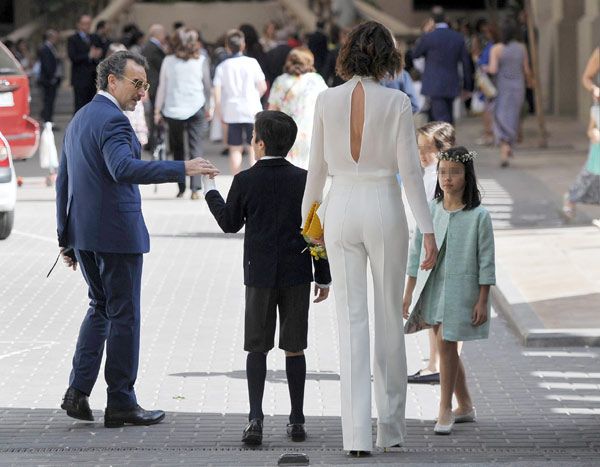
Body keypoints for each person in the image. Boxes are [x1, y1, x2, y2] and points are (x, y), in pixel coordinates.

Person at [56, 51, 219, 428]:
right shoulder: (113, 121)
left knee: (100, 308)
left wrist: (65, 236)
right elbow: (123, 169)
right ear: (112, 81)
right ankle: (122, 402)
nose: (143, 92)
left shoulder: (81, 118)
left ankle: (77, 391)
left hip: (85, 233)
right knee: (124, 316)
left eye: (146, 85)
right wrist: (183, 167)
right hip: (115, 235)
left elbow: (65, 180)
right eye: (137, 83)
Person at [301, 21, 437, 456]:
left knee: (351, 324)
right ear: (387, 56)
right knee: (387, 321)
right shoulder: (396, 101)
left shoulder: (326, 99)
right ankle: (391, 428)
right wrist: (429, 229)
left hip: (340, 206)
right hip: (383, 204)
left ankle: (356, 437)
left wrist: (306, 226)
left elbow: (316, 169)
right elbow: (411, 173)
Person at [202, 110, 331, 446]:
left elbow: (229, 223)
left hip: (258, 274)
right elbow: (316, 232)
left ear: (259, 143)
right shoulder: (305, 179)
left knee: (256, 347)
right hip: (298, 274)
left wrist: (210, 191)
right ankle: (297, 419)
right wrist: (324, 276)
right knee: (295, 348)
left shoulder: (245, 180)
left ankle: (255, 418)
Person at [403, 146, 495, 436]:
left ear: (467, 175)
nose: (448, 178)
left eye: (455, 172)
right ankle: (465, 404)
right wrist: (409, 292)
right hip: (433, 288)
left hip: (462, 290)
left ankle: (445, 409)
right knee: (447, 347)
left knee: (446, 344)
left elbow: (487, 261)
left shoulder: (480, 216)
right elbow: (416, 251)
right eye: (443, 172)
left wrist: (483, 299)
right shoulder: (431, 210)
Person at [405, 121, 455, 385]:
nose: (422, 154)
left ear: (443, 148)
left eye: (428, 149)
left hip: (442, 249)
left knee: (442, 314)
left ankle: (441, 366)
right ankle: (433, 363)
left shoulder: (445, 176)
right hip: (428, 246)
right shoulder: (427, 173)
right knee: (434, 310)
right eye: (419, 148)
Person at [154, 28, 212, 199]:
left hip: (173, 109)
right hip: (197, 107)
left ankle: (181, 187)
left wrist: (157, 110)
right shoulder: (201, 60)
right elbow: (207, 85)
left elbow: (162, 87)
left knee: (177, 149)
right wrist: (210, 106)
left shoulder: (168, 61)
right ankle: (196, 189)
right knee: (196, 148)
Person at [213, 29, 267, 175]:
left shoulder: (222, 66)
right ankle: (254, 178)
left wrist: (219, 112)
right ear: (243, 45)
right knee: (254, 146)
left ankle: (236, 178)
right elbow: (263, 86)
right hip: (252, 109)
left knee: (235, 148)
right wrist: (255, 96)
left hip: (232, 111)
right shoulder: (252, 63)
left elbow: (216, 92)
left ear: (227, 46)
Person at [268, 47, 328, 169]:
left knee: (287, 170)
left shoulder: (280, 81)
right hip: (310, 132)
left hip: (285, 133)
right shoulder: (316, 80)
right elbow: (326, 105)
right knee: (308, 170)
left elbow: (272, 110)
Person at [412, 6, 473, 124]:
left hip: (434, 83)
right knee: (448, 116)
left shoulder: (429, 37)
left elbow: (415, 54)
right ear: (445, 18)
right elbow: (466, 63)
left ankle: (445, 141)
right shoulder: (458, 37)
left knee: (440, 118)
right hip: (452, 82)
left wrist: (424, 33)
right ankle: (449, 140)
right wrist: (467, 86)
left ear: (432, 20)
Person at [488, 19, 532, 167]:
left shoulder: (497, 49)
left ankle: (504, 148)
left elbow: (493, 69)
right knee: (513, 117)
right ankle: (509, 146)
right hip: (518, 87)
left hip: (502, 88)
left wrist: (484, 69)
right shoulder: (522, 48)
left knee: (500, 117)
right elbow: (526, 70)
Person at [562, 105, 600, 220]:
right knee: (588, 178)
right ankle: (570, 199)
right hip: (598, 151)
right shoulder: (596, 110)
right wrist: (594, 133)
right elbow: (590, 130)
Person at [68, 14, 104, 113]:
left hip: (93, 78)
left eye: (89, 24)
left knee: (93, 105)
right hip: (80, 79)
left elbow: (102, 51)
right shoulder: (73, 39)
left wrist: (98, 54)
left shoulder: (94, 37)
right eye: (84, 24)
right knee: (80, 106)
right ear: (79, 25)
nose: (87, 26)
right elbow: (73, 57)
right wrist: (88, 55)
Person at [37, 29, 64, 126]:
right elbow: (47, 65)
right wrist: (51, 77)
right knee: (48, 101)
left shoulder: (52, 48)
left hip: (53, 79)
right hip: (48, 80)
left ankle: (48, 120)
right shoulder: (45, 48)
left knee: (50, 101)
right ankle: (47, 121)